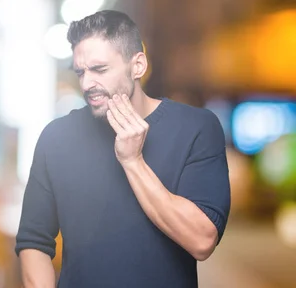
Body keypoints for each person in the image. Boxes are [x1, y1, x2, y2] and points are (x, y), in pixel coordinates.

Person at [15, 10, 231, 288]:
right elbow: (34, 242)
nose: (87, 83)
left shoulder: (196, 128)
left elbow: (202, 241)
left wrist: (133, 162)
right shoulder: (56, 137)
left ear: (137, 65)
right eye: (80, 72)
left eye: (100, 69)